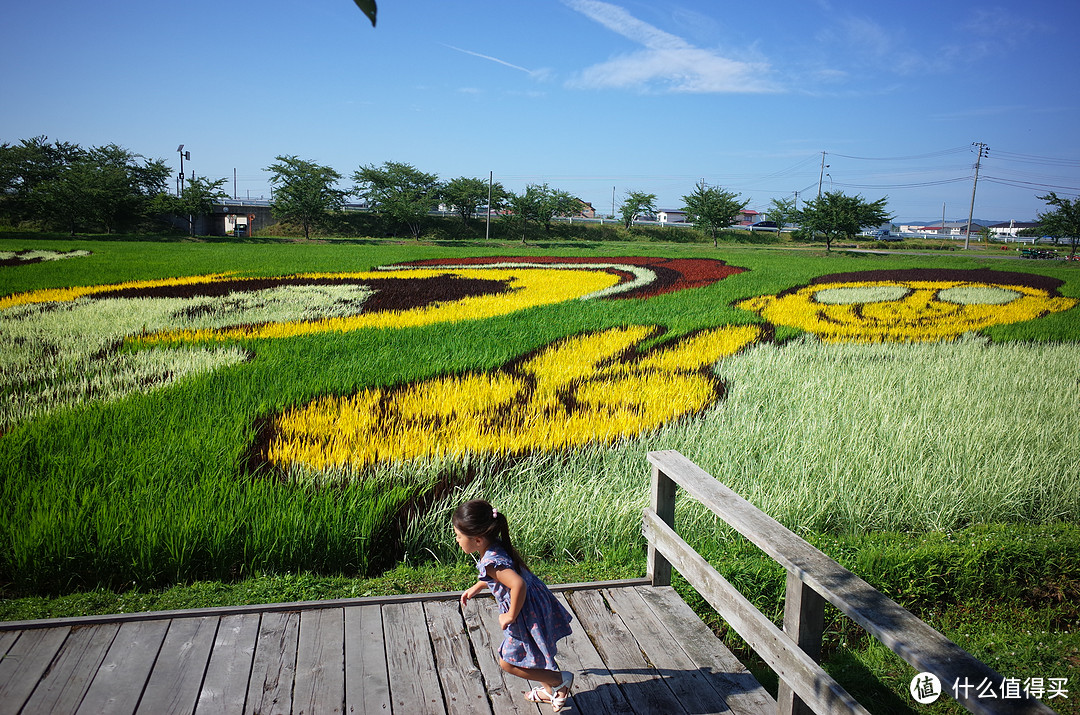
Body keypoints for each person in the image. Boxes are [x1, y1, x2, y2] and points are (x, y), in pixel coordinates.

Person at [454, 499, 575, 711]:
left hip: (524, 612)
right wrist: (478, 586)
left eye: (459, 536)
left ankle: (559, 681)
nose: (457, 540)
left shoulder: (491, 562)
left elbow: (516, 583)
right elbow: (502, 575)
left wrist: (509, 615)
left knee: (508, 662)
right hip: (533, 605)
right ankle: (549, 689)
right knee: (531, 650)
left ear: (478, 540)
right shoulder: (496, 546)